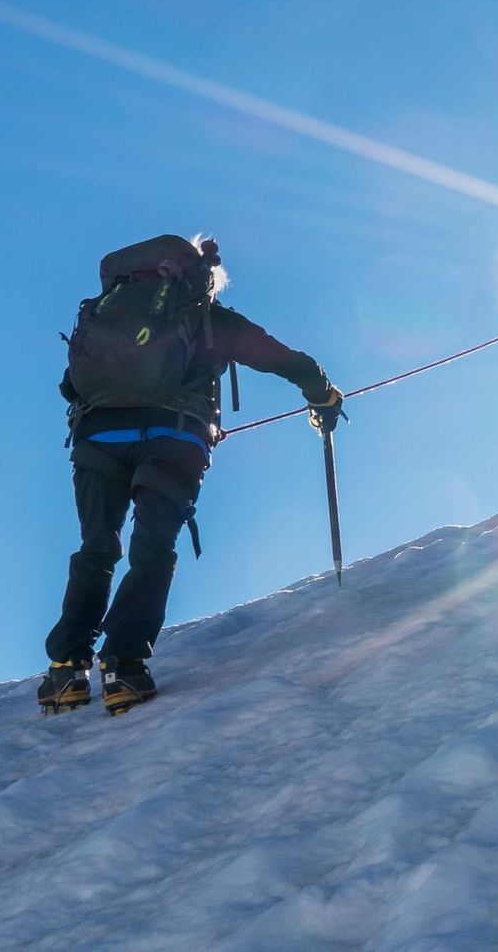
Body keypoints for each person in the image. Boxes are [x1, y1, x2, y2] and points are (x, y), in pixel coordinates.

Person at [39, 234, 342, 715]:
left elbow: (69, 385)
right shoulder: (209, 319)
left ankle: (66, 672)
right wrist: (322, 394)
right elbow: (283, 359)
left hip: (97, 438)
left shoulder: (107, 313)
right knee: (152, 547)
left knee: (97, 547)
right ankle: (123, 665)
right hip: (173, 438)